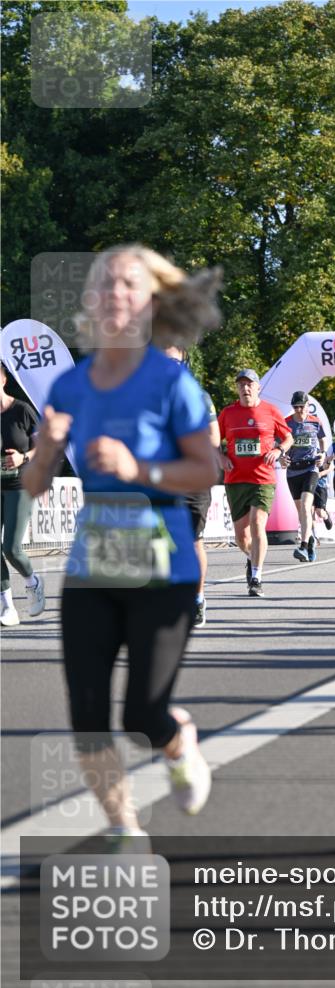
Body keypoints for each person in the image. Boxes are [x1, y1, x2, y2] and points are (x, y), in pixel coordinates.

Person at [23, 245, 221, 842]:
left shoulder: (170, 382)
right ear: (89, 299)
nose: (113, 293)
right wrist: (47, 449)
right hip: (94, 562)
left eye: (128, 286)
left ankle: (175, 736)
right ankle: (124, 828)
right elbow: (33, 485)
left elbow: (206, 469)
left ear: (150, 302)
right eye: (103, 283)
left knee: (141, 715)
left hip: (164, 560)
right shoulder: (72, 383)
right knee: (86, 713)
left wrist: (140, 470)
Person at [218, 370, 293, 596]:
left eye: (249, 384)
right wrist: (220, 456)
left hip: (263, 478)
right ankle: (252, 558)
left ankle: (256, 578)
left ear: (258, 387)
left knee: (258, 523)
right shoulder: (228, 413)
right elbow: (212, 440)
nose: (245, 388)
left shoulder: (270, 411)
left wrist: (279, 449)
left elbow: (288, 437)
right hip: (236, 479)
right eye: (241, 384)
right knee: (242, 537)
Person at [163, 346, 221, 627]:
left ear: (184, 361)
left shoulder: (199, 396)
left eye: (174, 360)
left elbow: (213, 439)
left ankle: (197, 599)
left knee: (193, 540)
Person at [1, 363, 45, 626]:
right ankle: (7, 606)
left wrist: (23, 457)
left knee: (12, 548)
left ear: (3, 380)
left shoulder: (22, 410)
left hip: (20, 483)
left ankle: (33, 582)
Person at [284, 391, 326, 563]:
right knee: (301, 510)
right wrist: (281, 456)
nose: (299, 410)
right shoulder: (286, 423)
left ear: (308, 405)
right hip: (293, 471)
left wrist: (322, 454)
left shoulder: (316, 421)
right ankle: (310, 541)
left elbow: (322, 440)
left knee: (306, 504)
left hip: (311, 468)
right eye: (296, 407)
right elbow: (280, 444)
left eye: (302, 406)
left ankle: (302, 545)